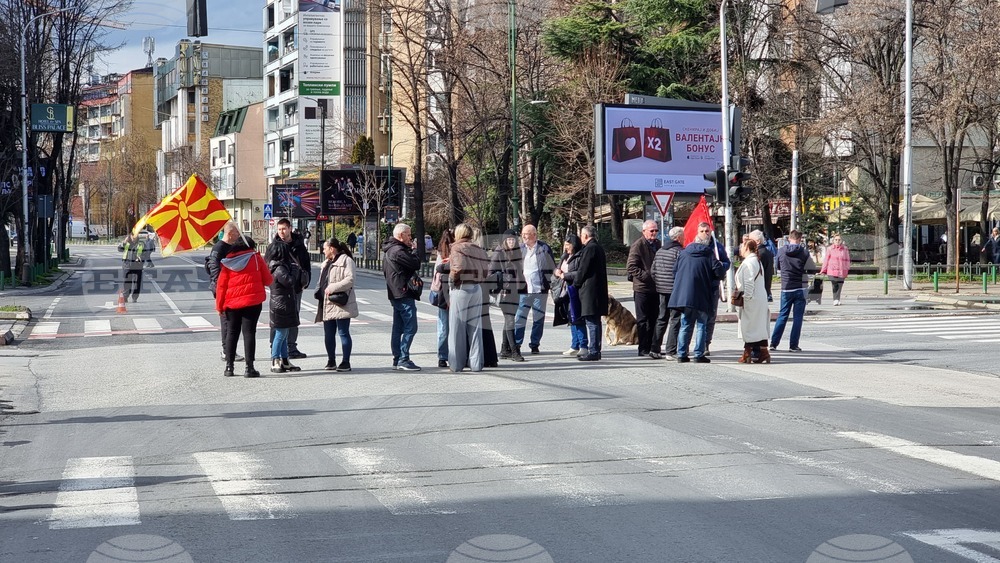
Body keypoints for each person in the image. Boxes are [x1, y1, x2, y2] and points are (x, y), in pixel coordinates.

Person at [215, 235, 271, 378]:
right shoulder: (256, 258)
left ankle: (229, 367)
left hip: (231, 303)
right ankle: (249, 367)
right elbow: (268, 279)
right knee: (249, 333)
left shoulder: (227, 262)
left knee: (232, 333)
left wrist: (220, 306)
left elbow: (221, 286)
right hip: (252, 302)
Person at [668, 228, 726, 363]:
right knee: (701, 324)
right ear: (705, 243)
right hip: (702, 294)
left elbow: (675, 271)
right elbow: (719, 272)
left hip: (685, 295)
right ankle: (699, 354)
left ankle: (682, 354)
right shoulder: (708, 254)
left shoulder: (684, 253)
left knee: (686, 324)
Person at [265, 218, 311, 359]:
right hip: (280, 289)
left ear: (290, 228)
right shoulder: (274, 246)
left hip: (296, 288)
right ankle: (275, 347)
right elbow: (267, 265)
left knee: (294, 317)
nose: (281, 232)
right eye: (279, 229)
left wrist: (305, 281)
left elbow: (305, 265)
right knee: (278, 320)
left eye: (284, 229)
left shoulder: (299, 245)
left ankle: (291, 347)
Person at [448, 223, 490, 372]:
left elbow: (458, 267)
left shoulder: (457, 247)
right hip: (477, 288)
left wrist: (452, 280)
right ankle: (476, 363)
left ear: (458, 234)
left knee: (457, 328)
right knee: (475, 327)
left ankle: (456, 364)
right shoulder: (478, 248)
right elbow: (487, 269)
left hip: (462, 287)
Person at [383, 222, 422, 371]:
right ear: (401, 235)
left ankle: (397, 358)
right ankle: (403, 358)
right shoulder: (398, 251)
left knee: (398, 327)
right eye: (409, 235)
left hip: (395, 292)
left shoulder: (390, 249)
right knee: (411, 327)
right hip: (403, 292)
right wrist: (414, 251)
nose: (410, 238)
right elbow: (415, 264)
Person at [315, 237, 358, 372]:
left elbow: (350, 279)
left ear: (332, 249)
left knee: (343, 332)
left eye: (325, 248)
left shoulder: (346, 260)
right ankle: (331, 360)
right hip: (327, 302)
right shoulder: (325, 263)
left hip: (341, 302)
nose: (323, 251)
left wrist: (333, 287)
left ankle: (345, 362)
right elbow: (321, 281)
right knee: (328, 333)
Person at [770, 230, 815, 352]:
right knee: (798, 318)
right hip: (801, 287)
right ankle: (793, 345)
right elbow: (811, 269)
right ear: (800, 239)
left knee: (783, 315)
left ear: (789, 238)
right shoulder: (804, 252)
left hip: (786, 287)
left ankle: (774, 343)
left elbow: (777, 266)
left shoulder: (781, 251)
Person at [514, 224, 555, 355]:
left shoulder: (544, 248)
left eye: (526, 234)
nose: (523, 236)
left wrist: (551, 283)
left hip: (540, 290)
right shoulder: (519, 249)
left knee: (538, 319)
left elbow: (551, 266)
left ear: (534, 235)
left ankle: (535, 344)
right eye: (523, 234)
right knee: (520, 318)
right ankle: (517, 343)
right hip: (523, 290)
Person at [627, 220, 662, 358]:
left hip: (655, 288)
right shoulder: (638, 245)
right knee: (642, 320)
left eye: (656, 230)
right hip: (642, 288)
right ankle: (643, 348)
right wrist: (646, 276)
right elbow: (631, 267)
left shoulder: (658, 244)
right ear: (644, 232)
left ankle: (653, 347)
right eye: (651, 231)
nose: (654, 233)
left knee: (654, 318)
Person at [573, 225, 609, 361]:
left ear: (586, 236)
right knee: (595, 321)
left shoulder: (590, 248)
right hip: (597, 290)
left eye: (581, 235)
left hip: (590, 291)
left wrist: (576, 284)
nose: (581, 238)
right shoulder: (598, 247)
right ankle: (596, 350)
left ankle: (593, 350)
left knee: (592, 321)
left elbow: (583, 269)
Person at [490, 230, 526, 362]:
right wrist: (504, 282)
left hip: (515, 291)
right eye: (509, 240)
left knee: (509, 320)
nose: (511, 242)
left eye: (513, 240)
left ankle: (505, 349)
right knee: (510, 320)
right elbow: (492, 273)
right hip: (504, 292)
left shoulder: (517, 252)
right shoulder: (499, 252)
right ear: (504, 241)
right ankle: (514, 351)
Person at [207, 222, 242, 362]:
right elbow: (214, 268)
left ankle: (230, 349)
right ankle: (226, 351)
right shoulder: (219, 248)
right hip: (222, 289)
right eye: (237, 232)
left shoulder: (232, 246)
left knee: (232, 320)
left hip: (232, 288)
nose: (239, 235)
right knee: (226, 320)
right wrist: (220, 286)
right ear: (230, 233)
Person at [268, 243, 303, 373]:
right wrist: (294, 270)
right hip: (281, 303)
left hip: (283, 302)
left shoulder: (277, 266)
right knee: (281, 333)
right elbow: (289, 281)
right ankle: (275, 359)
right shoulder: (278, 267)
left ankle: (285, 360)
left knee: (285, 333)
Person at [650, 226, 684, 360]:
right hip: (674, 290)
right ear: (679, 237)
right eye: (683, 236)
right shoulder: (679, 251)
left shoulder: (660, 251)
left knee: (661, 318)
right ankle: (670, 351)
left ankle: (655, 348)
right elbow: (681, 272)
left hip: (661, 289)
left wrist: (659, 283)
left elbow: (653, 271)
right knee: (675, 319)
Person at [735, 239, 770, 364]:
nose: (740, 249)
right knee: (758, 327)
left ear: (747, 248)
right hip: (760, 298)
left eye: (742, 246)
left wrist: (747, 298)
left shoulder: (749, 263)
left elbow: (749, 283)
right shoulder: (756, 261)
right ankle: (763, 352)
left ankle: (747, 353)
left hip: (752, 299)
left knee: (749, 327)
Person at [552, 234, 585, 356]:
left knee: (577, 317)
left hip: (574, 289)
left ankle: (583, 345)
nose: (566, 248)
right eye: (565, 245)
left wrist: (565, 275)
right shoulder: (565, 256)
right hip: (564, 291)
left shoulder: (580, 256)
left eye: (568, 245)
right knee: (570, 318)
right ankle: (574, 345)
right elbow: (557, 267)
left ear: (574, 244)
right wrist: (556, 271)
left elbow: (580, 272)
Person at [703, 228, 731, 356]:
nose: (705, 233)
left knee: (710, 316)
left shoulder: (717, 246)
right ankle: (695, 344)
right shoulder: (693, 247)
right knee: (697, 317)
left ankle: (706, 343)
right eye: (702, 231)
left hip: (713, 286)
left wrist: (720, 265)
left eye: (707, 231)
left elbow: (727, 263)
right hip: (699, 287)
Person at [434, 229, 455, 368]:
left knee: (443, 326)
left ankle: (442, 356)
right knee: (455, 326)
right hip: (454, 292)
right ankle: (454, 354)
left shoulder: (440, 253)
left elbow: (437, 271)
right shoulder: (456, 252)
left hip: (442, 293)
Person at [820, 234, 852, 306]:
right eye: (836, 239)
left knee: (840, 285)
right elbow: (826, 260)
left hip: (842, 270)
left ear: (841, 241)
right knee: (835, 284)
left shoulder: (845, 249)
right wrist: (823, 270)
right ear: (833, 240)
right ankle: (835, 299)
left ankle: (837, 299)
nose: (837, 241)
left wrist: (847, 268)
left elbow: (847, 259)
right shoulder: (830, 249)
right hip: (832, 270)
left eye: (839, 240)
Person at [118, 232, 146, 302]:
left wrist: (140, 258)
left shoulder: (141, 244)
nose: (134, 238)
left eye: (135, 236)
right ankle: (125, 296)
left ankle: (135, 297)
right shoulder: (126, 243)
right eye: (133, 236)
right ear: (130, 236)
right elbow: (120, 249)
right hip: (127, 265)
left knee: (137, 283)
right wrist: (124, 242)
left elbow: (145, 254)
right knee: (127, 282)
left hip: (137, 266)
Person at [749, 230, 775, 302]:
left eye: (750, 240)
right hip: (764, 287)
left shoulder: (760, 254)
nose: (748, 242)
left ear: (757, 241)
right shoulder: (766, 252)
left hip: (759, 288)